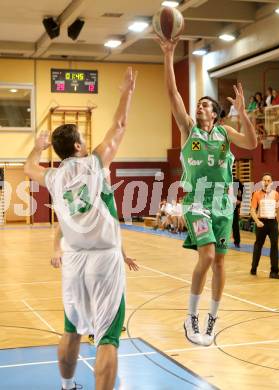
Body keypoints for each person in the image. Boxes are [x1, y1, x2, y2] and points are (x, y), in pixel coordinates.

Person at [24, 67, 137, 390]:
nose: (87, 143)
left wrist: (38, 145)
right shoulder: (94, 164)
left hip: (74, 262)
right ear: (76, 147)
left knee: (71, 329)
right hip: (103, 260)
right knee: (108, 337)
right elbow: (119, 125)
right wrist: (126, 92)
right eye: (83, 140)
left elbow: (28, 166)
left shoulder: (54, 177)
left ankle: (67, 385)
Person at [157, 38, 257, 346]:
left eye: (204, 104)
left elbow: (252, 144)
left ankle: (213, 318)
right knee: (208, 254)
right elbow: (173, 94)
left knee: (221, 263)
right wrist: (169, 53)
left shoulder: (225, 132)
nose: (199, 106)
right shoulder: (189, 129)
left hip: (223, 207)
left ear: (214, 113)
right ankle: (191, 317)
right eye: (198, 104)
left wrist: (242, 111)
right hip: (197, 203)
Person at [250, 173, 279, 279]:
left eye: (268, 180)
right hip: (261, 223)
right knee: (258, 245)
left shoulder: (276, 194)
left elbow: (278, 210)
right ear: (261, 182)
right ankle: (254, 267)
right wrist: (257, 221)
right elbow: (252, 210)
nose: (266, 182)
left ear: (271, 183)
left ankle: (274, 272)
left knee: (274, 246)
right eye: (265, 180)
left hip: (273, 223)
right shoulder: (256, 194)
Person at [232, 177, 244, 248]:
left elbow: (241, 191)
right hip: (223, 206)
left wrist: (239, 200)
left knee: (235, 224)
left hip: (233, 206)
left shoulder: (236, 181)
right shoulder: (222, 180)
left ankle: (237, 242)